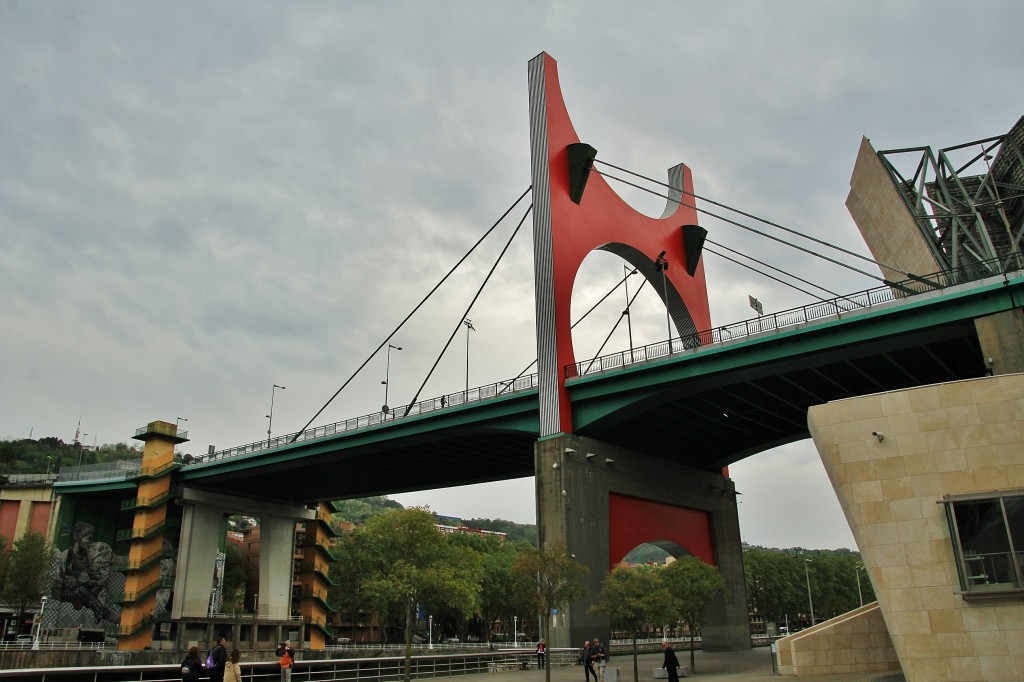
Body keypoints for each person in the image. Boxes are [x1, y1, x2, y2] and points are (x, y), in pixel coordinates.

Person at [55, 521, 115, 623]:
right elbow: (69, 582)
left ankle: (84, 601)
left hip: (81, 589)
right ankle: (101, 612)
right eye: (88, 539)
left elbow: (90, 574)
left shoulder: (86, 556)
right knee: (81, 589)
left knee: (91, 586)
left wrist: (98, 578)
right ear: (78, 538)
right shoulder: (67, 555)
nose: (90, 542)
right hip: (63, 590)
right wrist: (87, 581)